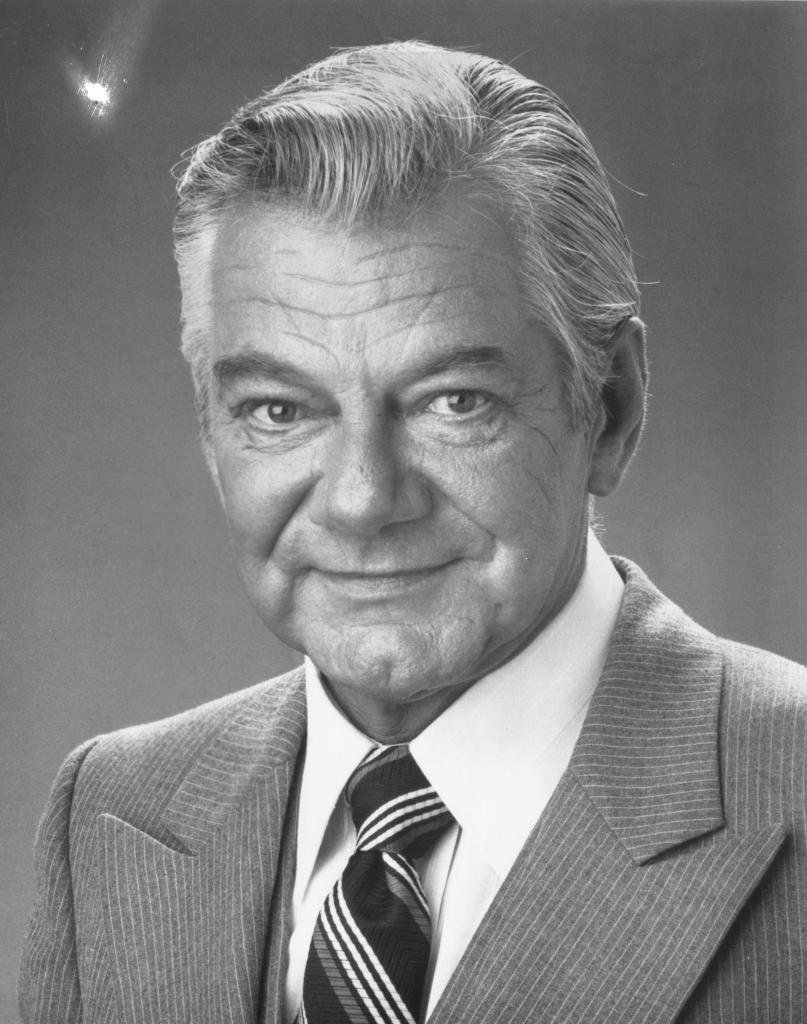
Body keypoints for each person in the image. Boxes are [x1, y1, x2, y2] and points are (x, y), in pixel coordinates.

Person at [19, 41, 807, 1024]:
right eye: (278, 410)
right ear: (210, 430)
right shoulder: (110, 814)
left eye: (453, 401)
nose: (361, 498)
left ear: (609, 409)